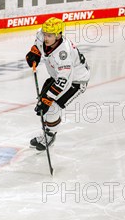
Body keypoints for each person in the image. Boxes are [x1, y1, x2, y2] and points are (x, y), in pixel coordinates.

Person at [25, 17, 90, 151]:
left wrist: (48, 98)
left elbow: (64, 82)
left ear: (59, 35)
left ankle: (50, 135)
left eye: (49, 35)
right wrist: (34, 53)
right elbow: (37, 46)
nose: (45, 38)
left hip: (76, 81)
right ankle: (47, 132)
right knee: (43, 106)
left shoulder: (63, 54)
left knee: (52, 106)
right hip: (57, 76)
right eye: (45, 34)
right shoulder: (41, 34)